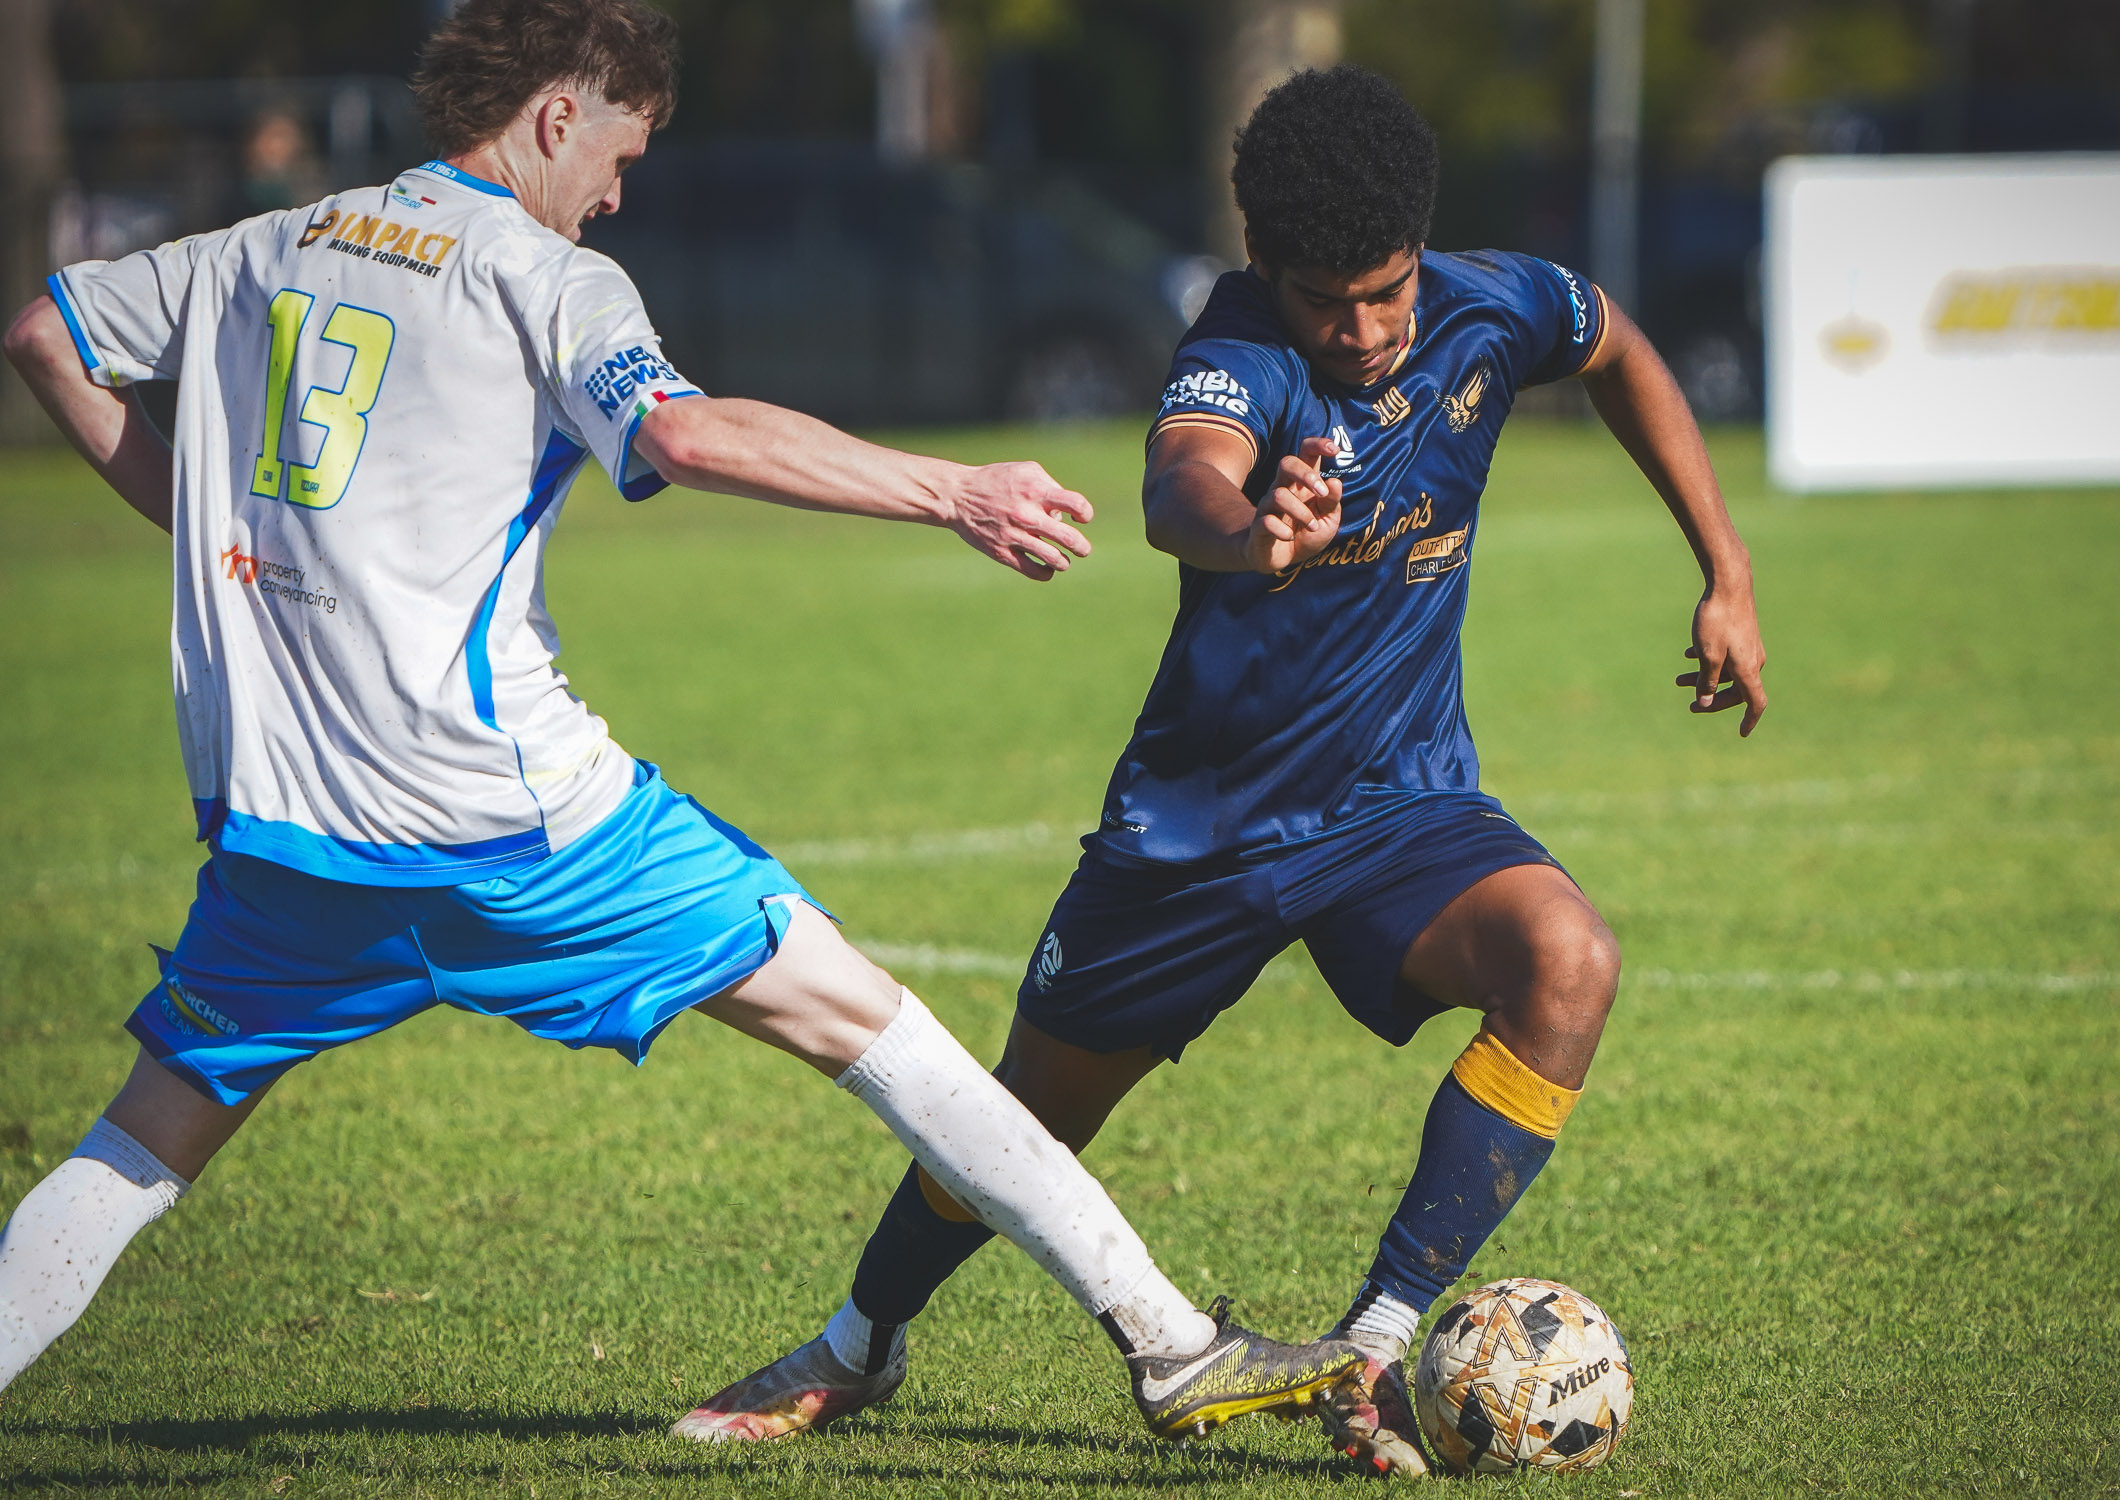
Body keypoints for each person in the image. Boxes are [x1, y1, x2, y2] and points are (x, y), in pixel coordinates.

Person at [0, 0, 1366, 1446]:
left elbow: (45, 331)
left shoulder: (257, 246)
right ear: (551, 117)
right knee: (871, 1022)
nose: (616, 191)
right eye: (621, 152)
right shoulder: (542, 274)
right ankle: (1167, 1344)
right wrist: (951, 488)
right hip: (516, 821)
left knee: (136, 1147)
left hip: (289, 840)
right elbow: (681, 434)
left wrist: (200, 520)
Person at [701, 64, 1770, 1476]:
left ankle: (1372, 1355)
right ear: (1260, 263)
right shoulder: (1239, 348)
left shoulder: (1491, 303)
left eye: (1386, 290)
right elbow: (1180, 485)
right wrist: (1256, 527)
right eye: (1327, 296)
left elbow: (1621, 346)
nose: (1365, 327)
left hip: (1401, 806)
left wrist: (1724, 569)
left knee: (1567, 960)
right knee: (1017, 1125)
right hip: (1195, 838)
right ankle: (857, 1345)